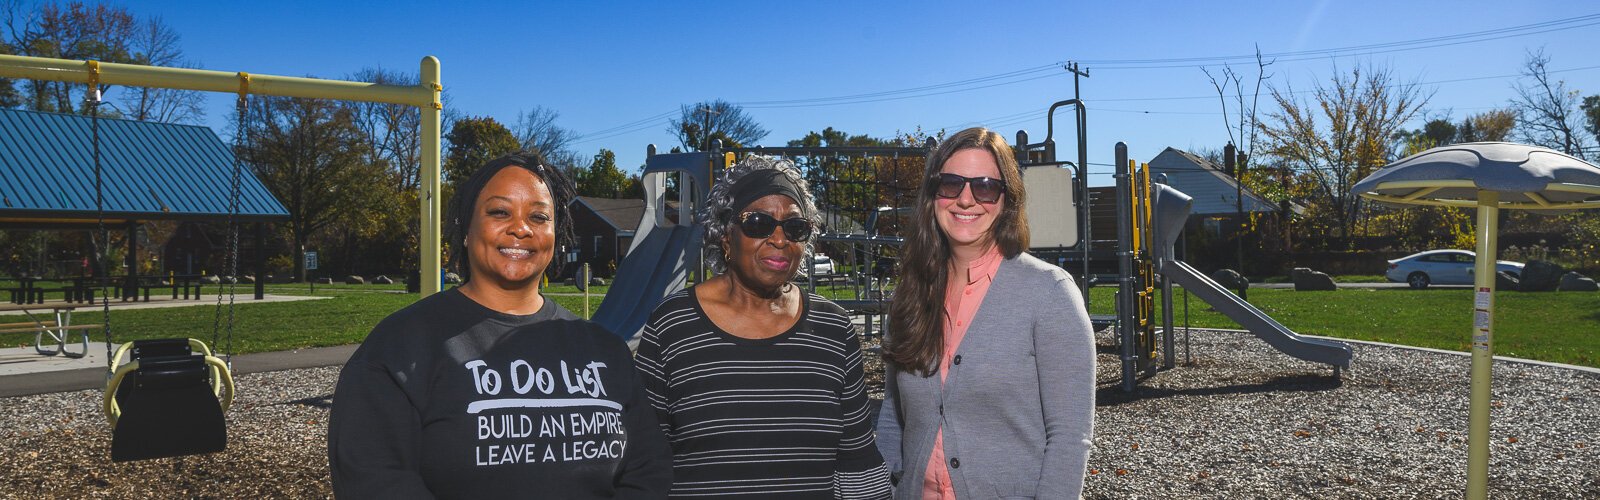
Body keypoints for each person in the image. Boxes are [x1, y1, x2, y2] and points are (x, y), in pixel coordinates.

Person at [328, 151, 672, 499]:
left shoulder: (605, 350)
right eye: (499, 212)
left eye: (538, 216)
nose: (520, 228)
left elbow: (648, 470)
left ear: (557, 235)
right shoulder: (400, 347)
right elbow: (373, 479)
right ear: (465, 229)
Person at [634, 155, 891, 499]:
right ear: (726, 236)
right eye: (758, 223)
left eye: (795, 227)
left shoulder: (833, 328)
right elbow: (642, 463)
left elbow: (858, 458)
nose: (780, 238)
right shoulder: (674, 325)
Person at [875, 127, 1096, 499]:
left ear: (1007, 199)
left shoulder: (1048, 293)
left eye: (984, 186)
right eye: (950, 183)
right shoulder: (910, 296)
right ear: (932, 196)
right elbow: (894, 416)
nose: (966, 199)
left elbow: (1070, 438)